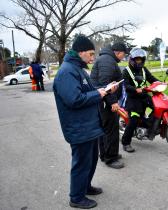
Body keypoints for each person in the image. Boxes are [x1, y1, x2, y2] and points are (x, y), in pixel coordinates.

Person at [53, 35, 116, 209]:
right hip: (78, 128)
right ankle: (76, 197)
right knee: (81, 162)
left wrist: (104, 89)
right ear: (80, 52)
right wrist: (99, 94)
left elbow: (87, 90)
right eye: (90, 53)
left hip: (88, 126)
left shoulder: (79, 69)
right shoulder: (67, 71)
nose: (92, 57)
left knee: (91, 160)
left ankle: (85, 187)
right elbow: (74, 99)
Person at [90, 42, 126, 169]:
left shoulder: (106, 58)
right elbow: (105, 83)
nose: (123, 57)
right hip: (105, 100)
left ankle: (105, 154)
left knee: (105, 128)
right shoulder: (108, 60)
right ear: (118, 52)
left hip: (101, 99)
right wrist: (113, 101)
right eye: (123, 54)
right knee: (111, 129)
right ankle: (111, 158)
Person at [121, 48, 159, 153]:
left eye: (141, 60)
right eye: (137, 59)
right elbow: (126, 85)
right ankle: (126, 142)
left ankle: (148, 126)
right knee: (134, 119)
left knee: (157, 108)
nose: (139, 61)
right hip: (132, 98)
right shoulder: (126, 71)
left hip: (143, 96)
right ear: (132, 59)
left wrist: (161, 83)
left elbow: (151, 78)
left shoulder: (144, 69)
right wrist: (135, 89)